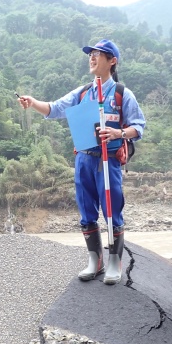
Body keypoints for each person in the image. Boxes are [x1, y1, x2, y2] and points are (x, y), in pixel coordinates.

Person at [18, 39, 145, 285]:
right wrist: (33, 103)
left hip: (108, 161)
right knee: (86, 210)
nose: (92, 58)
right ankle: (94, 260)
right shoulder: (83, 92)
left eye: (98, 54)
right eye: (91, 54)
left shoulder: (121, 94)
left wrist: (119, 133)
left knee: (111, 211)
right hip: (84, 159)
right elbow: (55, 109)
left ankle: (114, 263)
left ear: (112, 61)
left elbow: (139, 126)